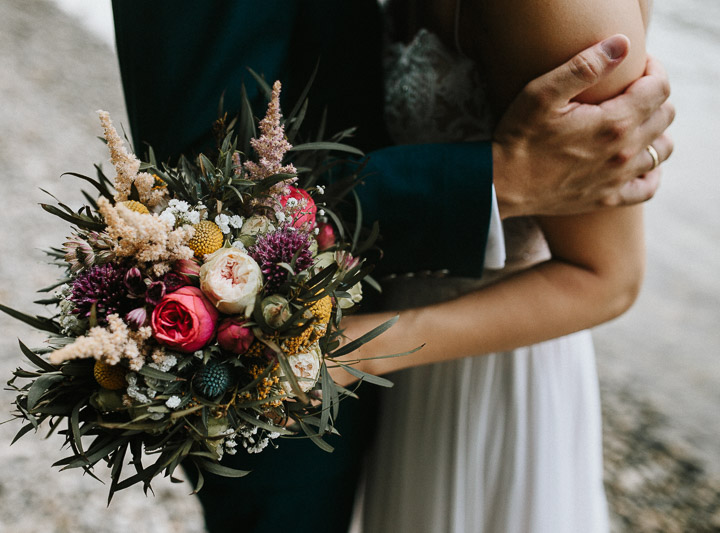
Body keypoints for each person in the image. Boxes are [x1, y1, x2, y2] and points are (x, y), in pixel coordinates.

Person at [110, 2, 673, 532]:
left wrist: (358, 351)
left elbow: (610, 278)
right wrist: (494, 179)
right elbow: (205, 169)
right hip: (379, 358)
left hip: (472, 364)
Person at [333, 0, 666, 531]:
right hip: (405, 356)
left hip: (492, 358)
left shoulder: (557, 9)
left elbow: (608, 280)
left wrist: (354, 351)